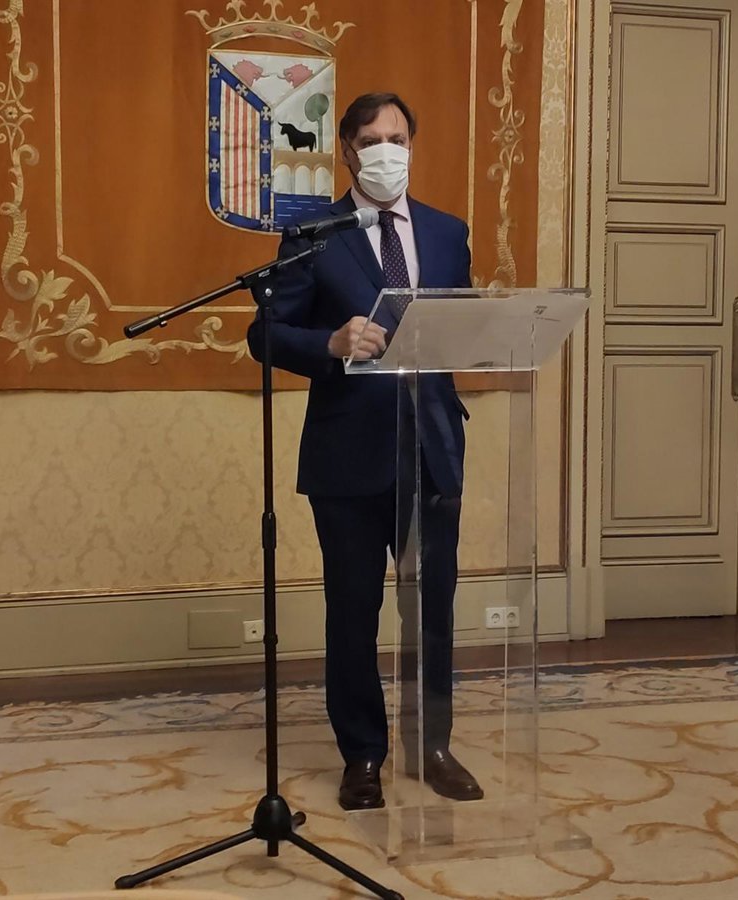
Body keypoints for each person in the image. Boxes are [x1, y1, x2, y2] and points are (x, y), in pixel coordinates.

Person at [246, 93, 484, 811]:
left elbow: (463, 326)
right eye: (374, 139)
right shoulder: (315, 234)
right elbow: (265, 334)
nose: (388, 151)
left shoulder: (447, 231)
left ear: (412, 145)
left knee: (432, 609)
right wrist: (330, 341)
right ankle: (363, 756)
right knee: (353, 612)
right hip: (349, 453)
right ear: (347, 149)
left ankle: (433, 746)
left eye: (399, 138)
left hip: (431, 448)